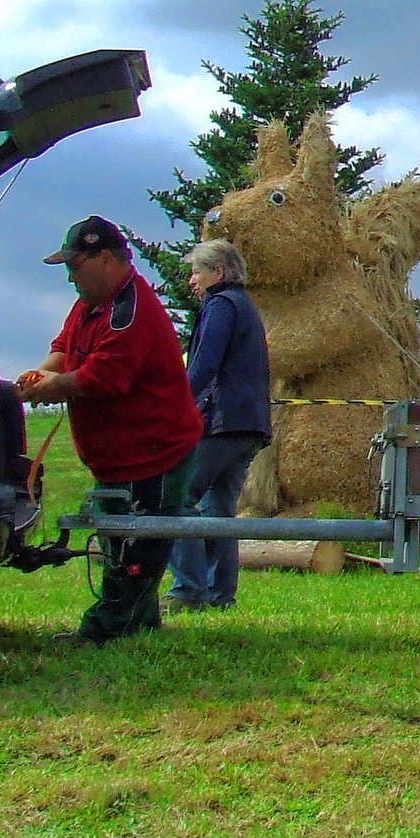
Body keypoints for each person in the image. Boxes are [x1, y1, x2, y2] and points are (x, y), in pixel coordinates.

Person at [18, 215, 202, 644]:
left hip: (155, 455)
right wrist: (38, 376)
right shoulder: (90, 304)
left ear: (104, 259)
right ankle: (139, 623)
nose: (70, 278)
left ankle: (105, 630)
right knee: (122, 543)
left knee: (135, 548)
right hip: (123, 458)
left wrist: (51, 387)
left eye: (75, 266)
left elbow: (105, 377)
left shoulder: (129, 312)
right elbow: (64, 348)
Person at [164, 239, 272, 613]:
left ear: (219, 272)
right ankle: (220, 594)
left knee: (176, 497)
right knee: (220, 511)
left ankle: (188, 590)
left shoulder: (220, 305)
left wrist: (175, 406)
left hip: (221, 421)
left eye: (197, 272)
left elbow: (204, 363)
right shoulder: (245, 305)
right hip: (250, 424)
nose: (192, 280)